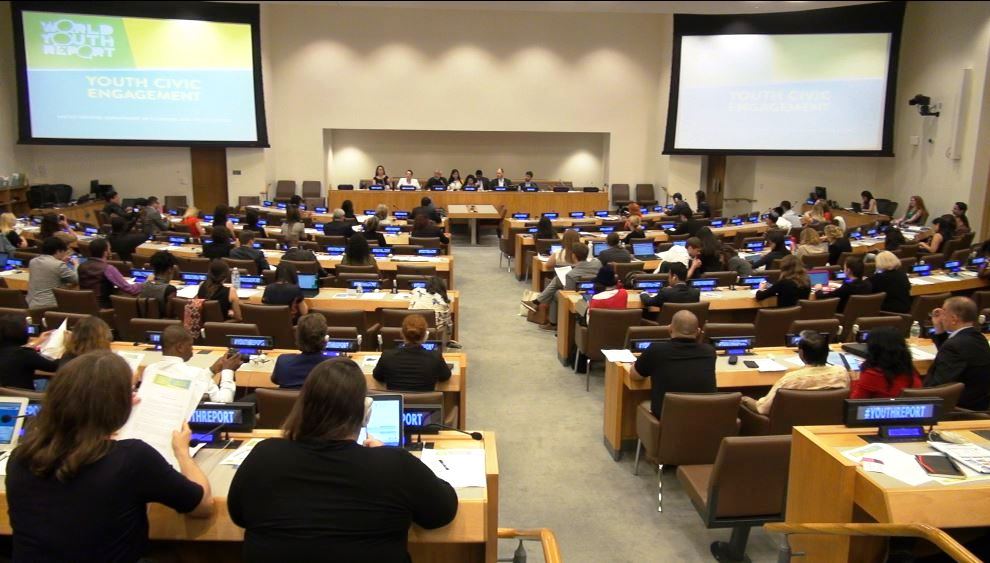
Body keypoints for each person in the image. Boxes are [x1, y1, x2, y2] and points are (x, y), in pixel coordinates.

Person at [230, 356, 457, 561]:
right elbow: (441, 512)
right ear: (365, 412)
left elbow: (238, 515)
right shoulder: (394, 464)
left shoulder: (263, 455)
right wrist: (392, 457)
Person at [7, 351, 213, 562]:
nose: (136, 398)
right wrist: (182, 453)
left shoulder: (19, 458)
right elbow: (202, 505)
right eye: (131, 391)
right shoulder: (132, 458)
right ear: (115, 404)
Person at [631, 310, 716, 418]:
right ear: (698, 331)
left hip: (667, 418)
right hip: (704, 418)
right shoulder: (710, 352)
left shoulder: (656, 350)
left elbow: (635, 375)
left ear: (670, 329)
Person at [741, 330, 849, 414]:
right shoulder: (842, 373)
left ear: (801, 353)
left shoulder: (791, 379)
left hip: (788, 426)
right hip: (826, 423)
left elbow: (762, 409)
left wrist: (744, 399)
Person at [144, 325, 242, 403]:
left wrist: (212, 370)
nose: (192, 349)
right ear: (180, 347)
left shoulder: (150, 370)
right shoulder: (195, 373)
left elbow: (196, 378)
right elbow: (224, 402)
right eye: (190, 345)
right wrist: (228, 371)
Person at [925, 296, 990, 410]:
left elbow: (939, 386)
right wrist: (939, 329)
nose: (941, 317)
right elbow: (953, 354)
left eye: (944, 313)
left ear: (954, 319)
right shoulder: (979, 338)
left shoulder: (954, 346)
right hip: (979, 404)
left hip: (957, 408)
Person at [526, 243, 601, 330]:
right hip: (594, 293)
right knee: (557, 280)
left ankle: (552, 322)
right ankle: (537, 302)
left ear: (573, 256)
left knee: (555, 293)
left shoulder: (571, 274)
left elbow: (567, 295)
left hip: (578, 300)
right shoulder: (597, 263)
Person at [374, 314, 452, 390]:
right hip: (424, 399)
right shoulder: (435, 357)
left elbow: (378, 377)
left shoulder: (387, 356)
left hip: (397, 399)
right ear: (425, 336)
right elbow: (445, 377)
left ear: (402, 333)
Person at [851, 327, 922, 399]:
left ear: (874, 349)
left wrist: (854, 381)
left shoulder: (873, 375)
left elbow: (854, 401)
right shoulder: (911, 372)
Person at [271, 313, 331, 388]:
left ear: (298, 338)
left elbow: (275, 380)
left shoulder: (283, 361)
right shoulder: (333, 366)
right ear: (326, 339)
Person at [78, 238, 143, 308]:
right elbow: (131, 289)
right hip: (103, 306)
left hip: (84, 304)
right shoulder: (108, 268)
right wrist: (145, 284)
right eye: (109, 249)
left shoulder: (81, 266)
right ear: (105, 252)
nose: (110, 251)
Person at [0, 314, 59, 390]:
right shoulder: (25, 355)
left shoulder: (21, 353)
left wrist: (35, 342)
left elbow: (13, 351)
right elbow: (55, 366)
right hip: (24, 395)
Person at [26, 237, 78, 309]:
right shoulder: (58, 264)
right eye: (64, 251)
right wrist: (76, 265)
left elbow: (49, 271)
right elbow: (76, 279)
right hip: (51, 306)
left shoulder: (33, 261)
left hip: (31, 304)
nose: (64, 254)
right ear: (58, 251)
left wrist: (61, 262)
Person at [409, 276, 456, 346]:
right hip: (435, 331)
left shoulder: (418, 291)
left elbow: (412, 292)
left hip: (414, 327)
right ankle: (447, 344)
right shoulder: (443, 303)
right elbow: (448, 323)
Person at [139, 250, 178, 315]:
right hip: (162, 321)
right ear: (170, 270)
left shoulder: (143, 285)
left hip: (141, 320)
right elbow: (170, 315)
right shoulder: (170, 290)